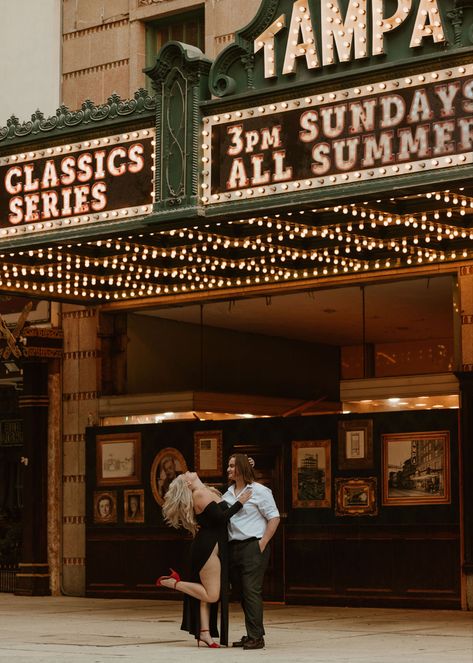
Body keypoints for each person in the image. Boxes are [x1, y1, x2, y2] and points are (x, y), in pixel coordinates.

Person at [156, 471, 252, 647]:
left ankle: (204, 633)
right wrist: (241, 502)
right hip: (207, 548)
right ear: (187, 484)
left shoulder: (209, 491)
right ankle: (173, 583)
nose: (187, 472)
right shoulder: (199, 494)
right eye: (185, 475)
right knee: (212, 594)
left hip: (212, 545)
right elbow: (221, 518)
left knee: (204, 594)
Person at [222, 453, 280, 650]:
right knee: (241, 593)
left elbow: (274, 518)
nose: (228, 469)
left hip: (253, 546)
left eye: (231, 466)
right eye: (228, 466)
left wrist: (262, 543)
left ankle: (256, 637)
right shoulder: (227, 494)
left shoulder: (260, 491)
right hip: (233, 547)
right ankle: (253, 633)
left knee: (251, 591)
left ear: (241, 468)